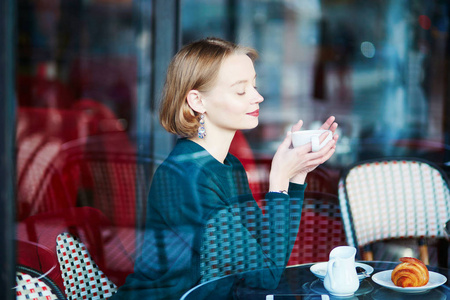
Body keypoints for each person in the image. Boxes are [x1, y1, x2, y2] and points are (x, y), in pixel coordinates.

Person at [111, 37, 338, 300]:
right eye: (241, 90)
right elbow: (265, 275)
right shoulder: (185, 177)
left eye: (254, 85)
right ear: (197, 101)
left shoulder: (229, 167)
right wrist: (279, 180)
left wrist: (298, 175)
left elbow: (266, 255)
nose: (258, 97)